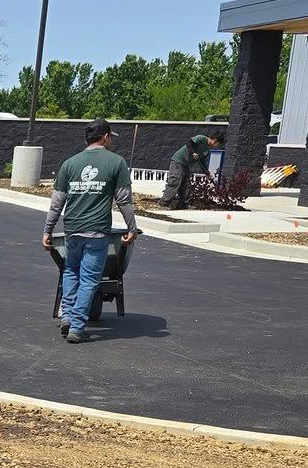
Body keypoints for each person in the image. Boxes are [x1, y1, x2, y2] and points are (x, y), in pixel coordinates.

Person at [42, 121, 140, 342]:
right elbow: (124, 200)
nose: (111, 140)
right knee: (88, 280)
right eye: (111, 137)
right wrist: (132, 228)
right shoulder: (116, 162)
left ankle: (66, 315)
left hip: (72, 231)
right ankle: (77, 327)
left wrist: (48, 231)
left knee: (70, 271)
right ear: (105, 137)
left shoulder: (69, 164)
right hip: (97, 232)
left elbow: (56, 204)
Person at [160, 127, 224, 208]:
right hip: (178, 160)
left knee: (186, 185)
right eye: (217, 144)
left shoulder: (207, 150)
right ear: (215, 140)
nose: (217, 146)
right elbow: (189, 143)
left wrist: (207, 173)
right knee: (174, 182)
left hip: (186, 165)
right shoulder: (201, 138)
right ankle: (163, 203)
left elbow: (201, 162)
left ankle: (182, 205)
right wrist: (193, 153)